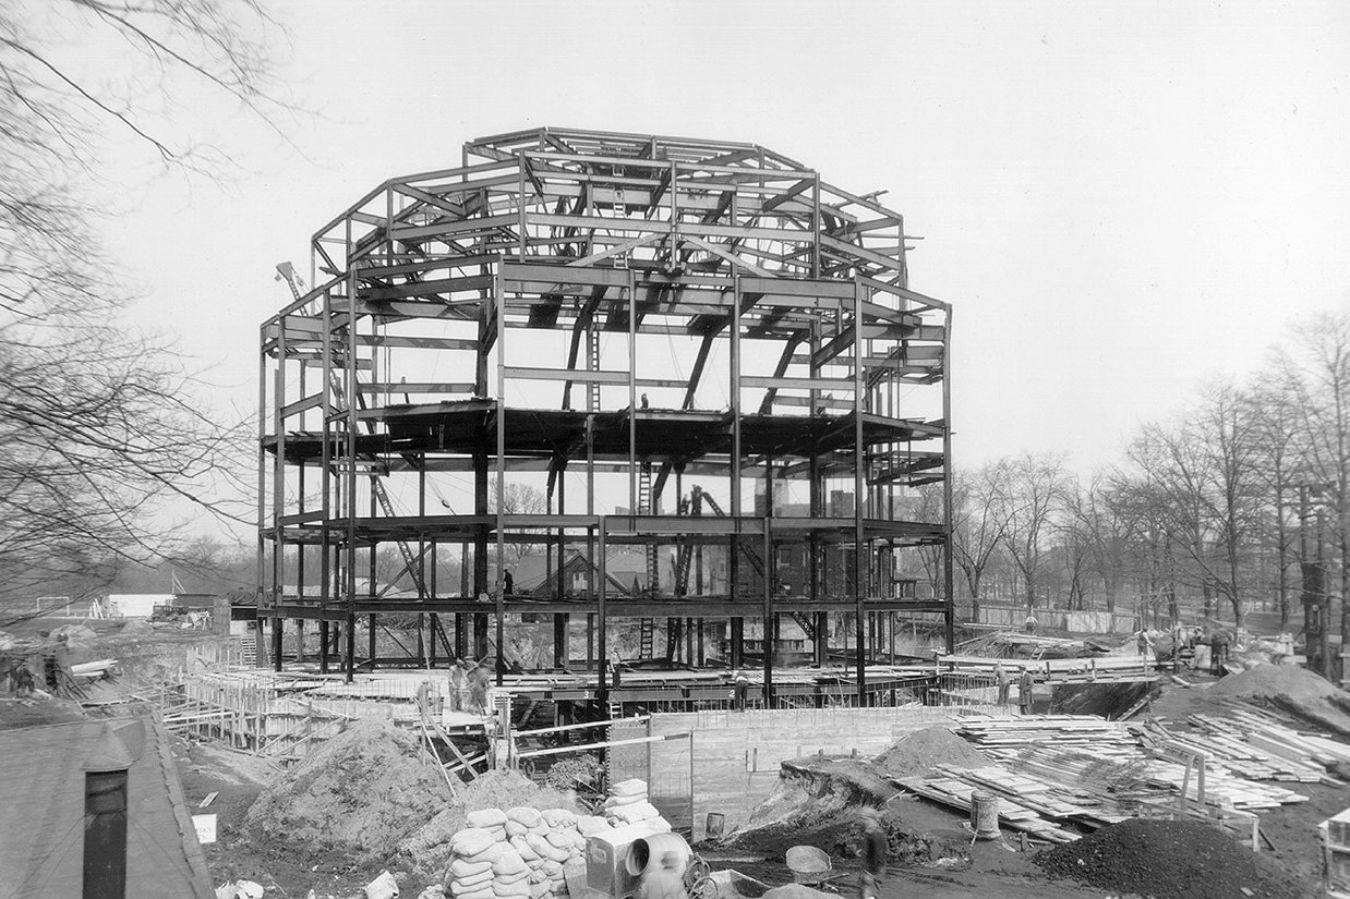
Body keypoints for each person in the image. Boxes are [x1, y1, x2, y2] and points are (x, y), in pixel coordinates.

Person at [858, 807, 887, 899]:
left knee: (869, 895)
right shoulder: (871, 832)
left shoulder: (875, 833)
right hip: (871, 869)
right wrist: (863, 851)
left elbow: (878, 855)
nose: (861, 821)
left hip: (873, 870)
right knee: (865, 893)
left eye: (863, 819)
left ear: (869, 819)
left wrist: (870, 873)